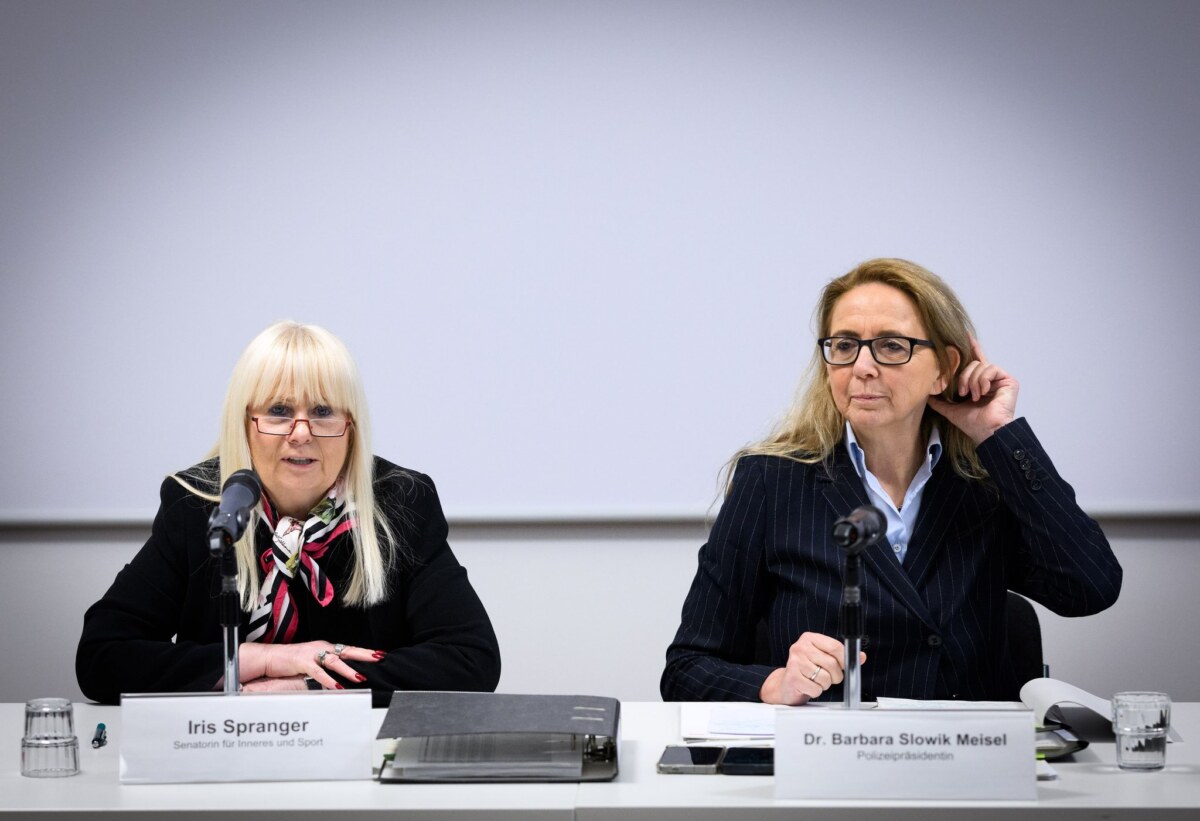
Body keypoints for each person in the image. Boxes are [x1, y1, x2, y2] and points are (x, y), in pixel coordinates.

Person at [661, 258, 1122, 704]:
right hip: (834, 745)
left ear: (944, 368)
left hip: (966, 749)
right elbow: (687, 669)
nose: (862, 367)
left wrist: (996, 434)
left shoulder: (987, 480)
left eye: (892, 346)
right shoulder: (772, 479)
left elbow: (1090, 589)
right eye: (845, 346)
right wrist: (775, 684)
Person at [77, 321, 500, 705]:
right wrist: (260, 660)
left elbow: (471, 659)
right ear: (245, 423)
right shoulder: (200, 507)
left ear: (351, 426)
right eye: (279, 411)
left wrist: (308, 685)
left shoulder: (400, 503)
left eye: (322, 412)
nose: (301, 433)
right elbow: (103, 656)